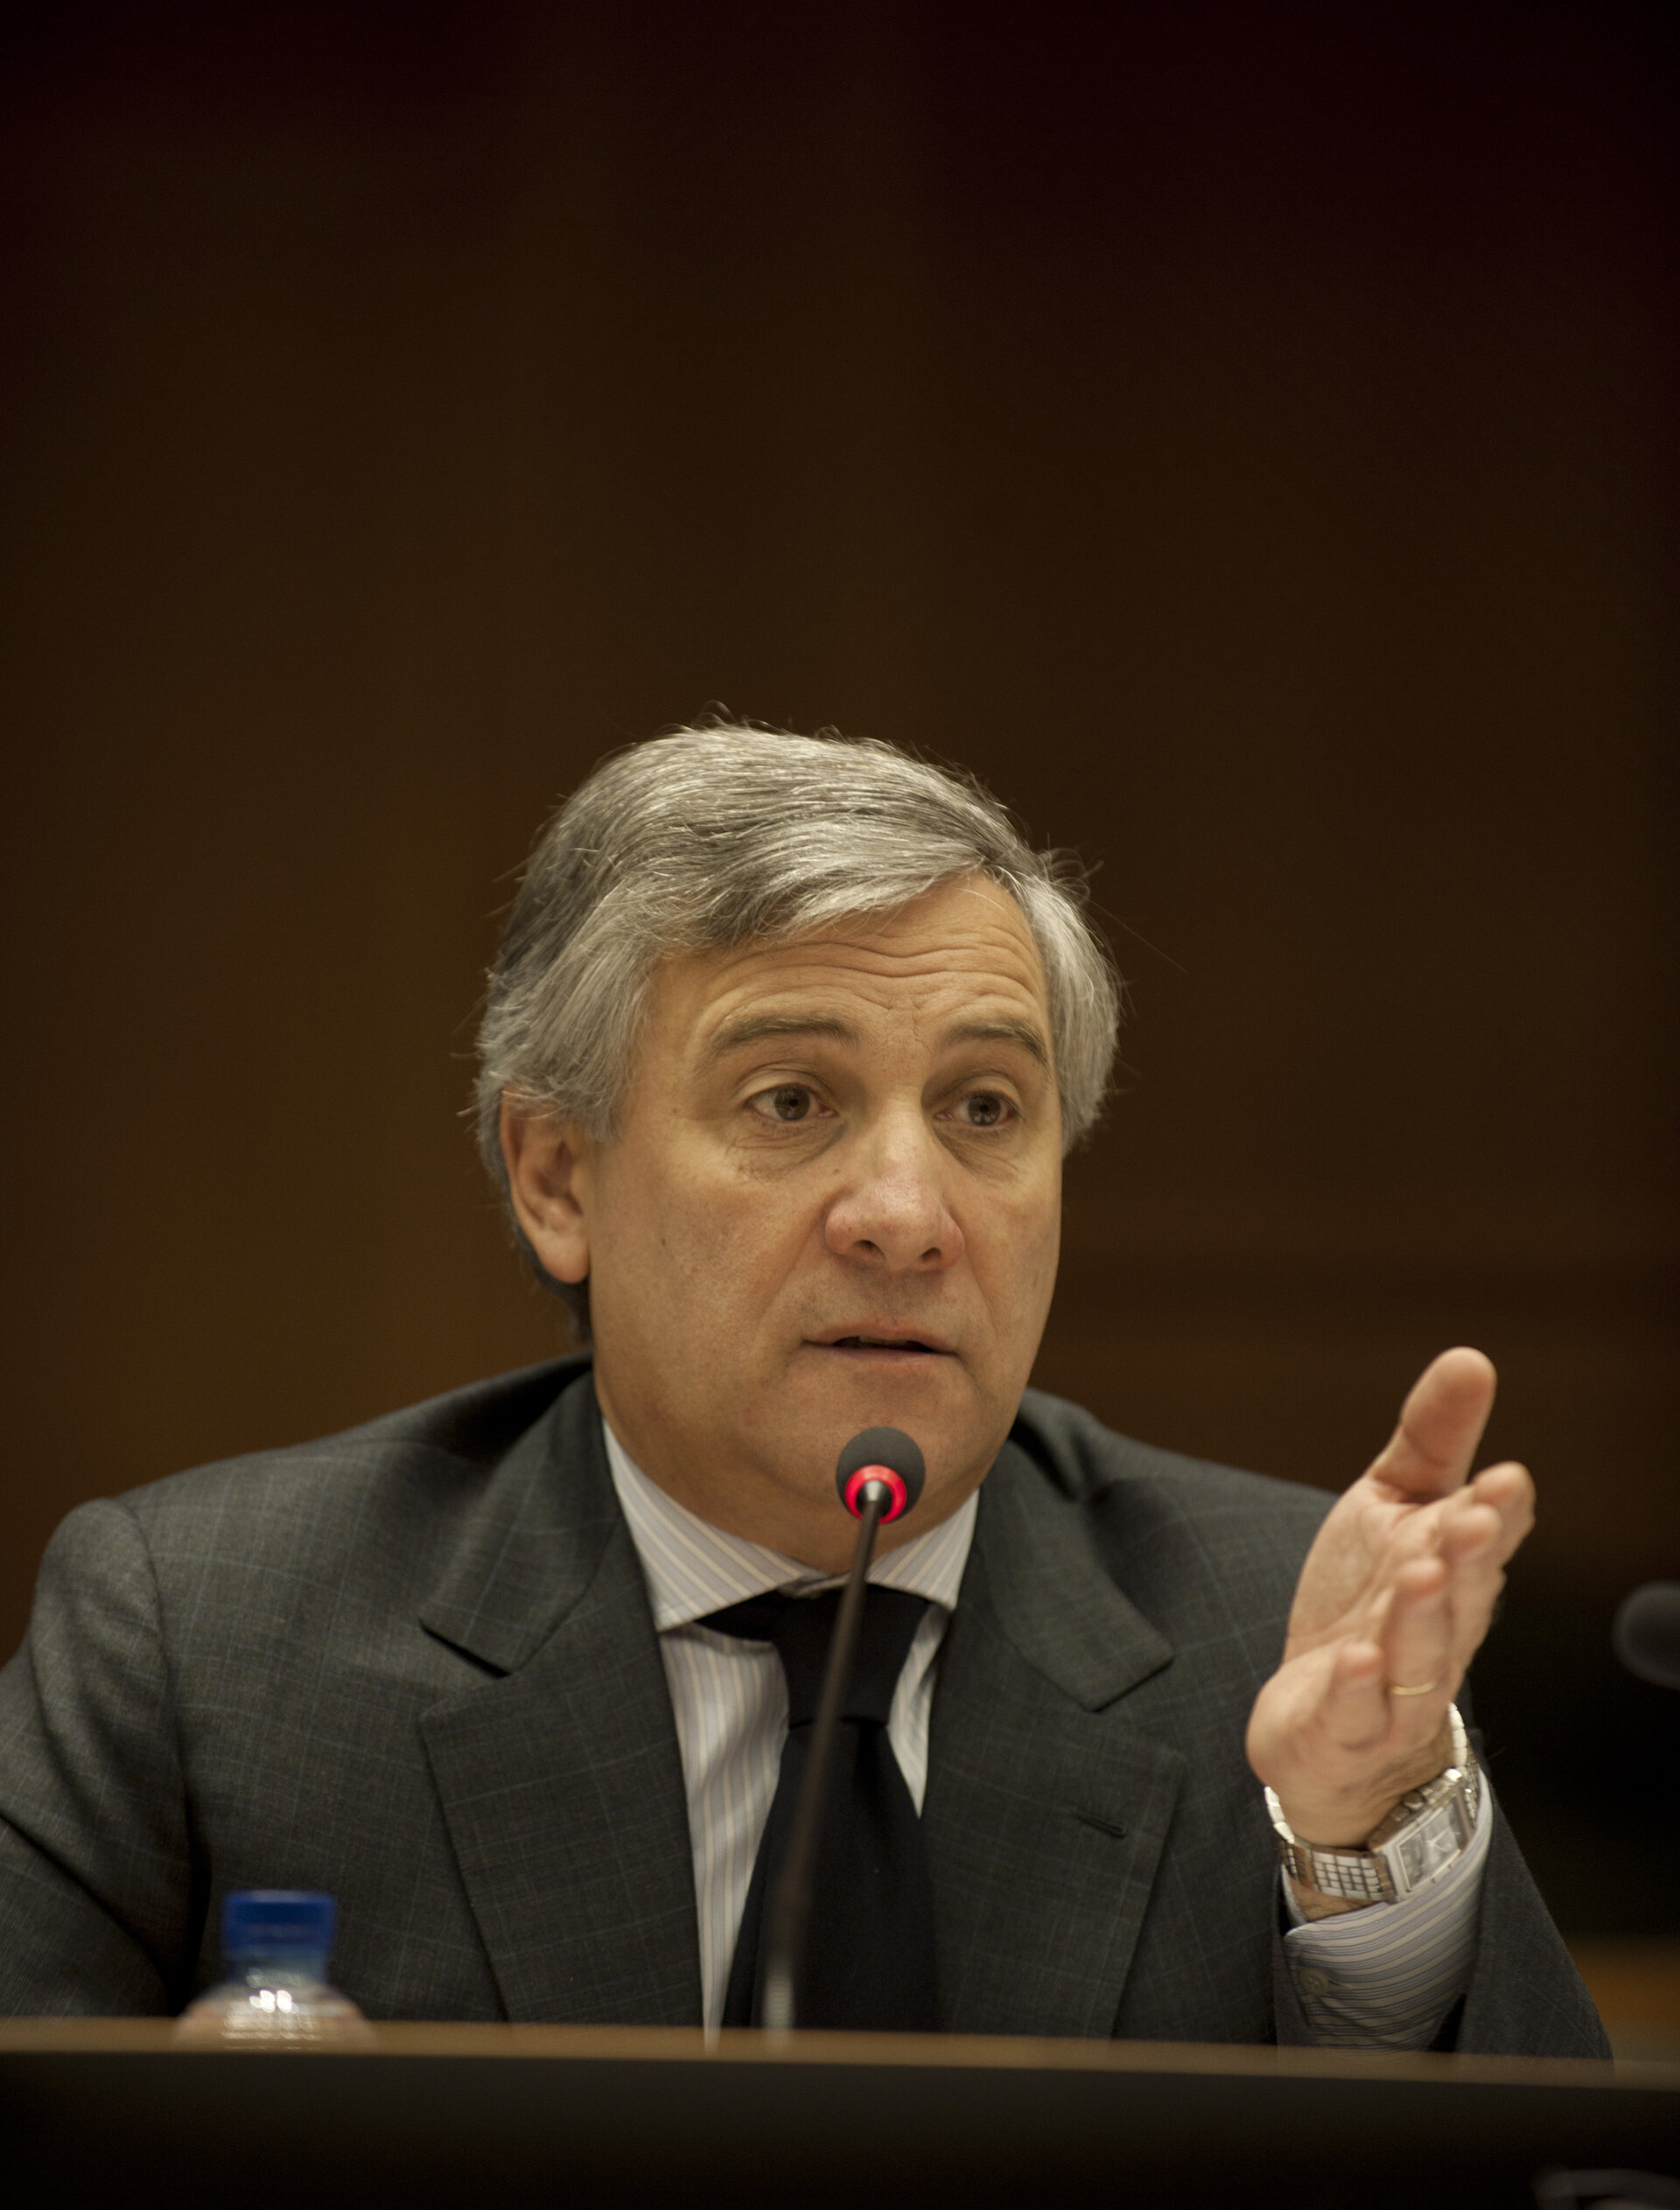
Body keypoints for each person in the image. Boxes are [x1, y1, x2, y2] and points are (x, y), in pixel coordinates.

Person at [0, 724, 1605, 2053]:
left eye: (985, 1106)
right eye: (790, 1100)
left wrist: (1364, 1842)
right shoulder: (205, 1644)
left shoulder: (1282, 1635)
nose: (907, 1214)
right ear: (557, 1176)